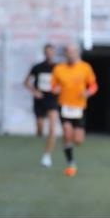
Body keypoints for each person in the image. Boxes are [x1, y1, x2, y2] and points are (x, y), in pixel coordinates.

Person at [50, 43, 98, 177]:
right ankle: (71, 162)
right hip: (64, 105)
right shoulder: (59, 68)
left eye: (73, 52)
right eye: (68, 52)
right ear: (65, 54)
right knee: (66, 131)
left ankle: (72, 140)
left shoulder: (85, 67)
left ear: (77, 53)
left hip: (79, 106)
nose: (71, 54)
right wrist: (56, 90)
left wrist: (88, 93)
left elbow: (93, 85)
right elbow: (53, 85)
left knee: (78, 140)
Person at [26, 43, 59, 167]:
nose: (50, 54)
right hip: (40, 100)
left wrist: (59, 89)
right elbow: (26, 82)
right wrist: (35, 92)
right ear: (44, 53)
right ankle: (40, 133)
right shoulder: (37, 67)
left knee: (52, 128)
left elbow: (64, 83)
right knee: (40, 127)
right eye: (47, 52)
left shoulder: (58, 68)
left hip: (52, 100)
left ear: (54, 53)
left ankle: (47, 155)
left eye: (52, 52)